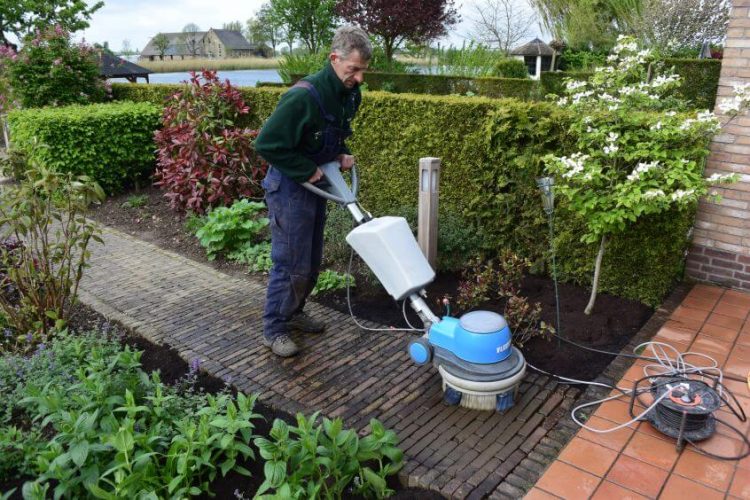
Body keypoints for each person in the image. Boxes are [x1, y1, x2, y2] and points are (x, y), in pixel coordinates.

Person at [254, 26, 372, 357]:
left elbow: (326, 135)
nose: (360, 78)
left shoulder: (349, 94)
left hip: (317, 185)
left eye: (363, 70)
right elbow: (267, 144)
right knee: (291, 263)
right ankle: (274, 328)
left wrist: (339, 153)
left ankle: (294, 313)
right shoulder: (302, 96)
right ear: (334, 59)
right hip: (289, 186)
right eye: (354, 69)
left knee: (311, 260)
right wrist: (307, 168)